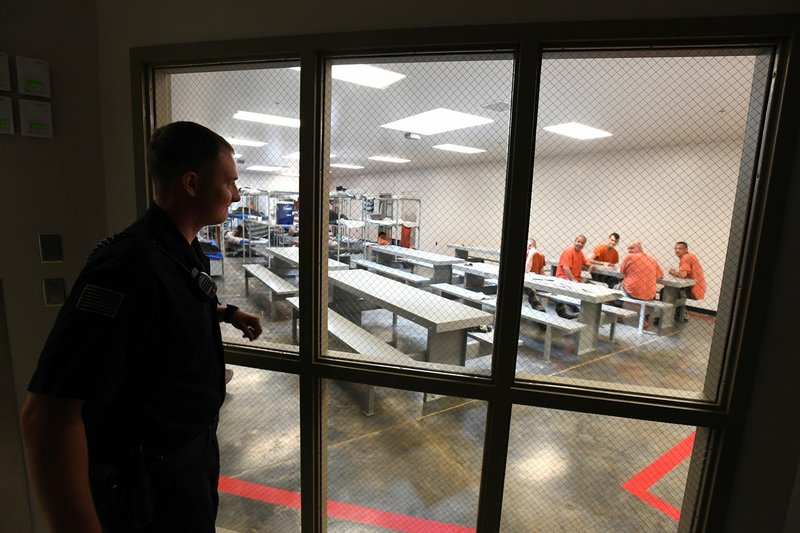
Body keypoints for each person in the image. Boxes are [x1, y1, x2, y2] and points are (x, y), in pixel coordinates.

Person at [19, 121, 263, 533]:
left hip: (189, 466)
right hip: (146, 489)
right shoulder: (126, 269)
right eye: (230, 183)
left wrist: (225, 314)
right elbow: (45, 419)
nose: (237, 196)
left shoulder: (183, 252)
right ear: (191, 183)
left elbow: (166, 316)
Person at [618, 241, 663, 328]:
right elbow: (660, 276)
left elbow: (621, 272)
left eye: (632, 248)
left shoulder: (629, 257)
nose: (629, 250)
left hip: (632, 292)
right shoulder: (652, 260)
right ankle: (644, 319)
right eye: (628, 248)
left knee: (614, 287)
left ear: (640, 248)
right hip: (650, 295)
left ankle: (617, 315)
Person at [555, 235, 595, 318]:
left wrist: (591, 265)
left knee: (592, 287)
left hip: (576, 278)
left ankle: (585, 311)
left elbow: (585, 262)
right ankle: (567, 311)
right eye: (578, 241)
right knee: (575, 289)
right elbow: (566, 268)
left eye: (582, 243)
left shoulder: (580, 253)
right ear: (575, 242)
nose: (580, 244)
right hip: (564, 278)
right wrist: (573, 280)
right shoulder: (568, 251)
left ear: (584, 245)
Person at [668, 241, 706, 322]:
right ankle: (681, 314)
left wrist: (672, 272)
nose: (677, 250)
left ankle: (663, 318)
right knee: (675, 292)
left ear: (686, 250)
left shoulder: (686, 257)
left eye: (680, 248)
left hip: (693, 289)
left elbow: (682, 275)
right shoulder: (691, 256)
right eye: (675, 248)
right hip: (698, 288)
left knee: (666, 291)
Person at [524, 238, 547, 312]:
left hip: (535, 279)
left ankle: (561, 309)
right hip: (525, 280)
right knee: (530, 289)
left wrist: (547, 280)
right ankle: (538, 307)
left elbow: (541, 271)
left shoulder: (540, 256)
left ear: (535, 246)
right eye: (528, 245)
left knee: (552, 291)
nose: (529, 247)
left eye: (531, 245)